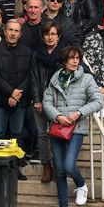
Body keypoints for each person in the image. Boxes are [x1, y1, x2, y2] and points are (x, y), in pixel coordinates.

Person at [43, 46, 103, 207]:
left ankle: (81, 185)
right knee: (59, 170)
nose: (75, 61)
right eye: (71, 58)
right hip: (57, 127)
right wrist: (58, 116)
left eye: (77, 58)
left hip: (76, 128)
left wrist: (78, 112)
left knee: (69, 166)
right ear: (64, 60)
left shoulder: (87, 79)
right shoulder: (55, 78)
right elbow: (47, 102)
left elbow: (98, 101)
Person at [0, 19, 32, 179]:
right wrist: (10, 92)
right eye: (10, 30)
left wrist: (17, 94)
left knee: (16, 134)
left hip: (20, 100)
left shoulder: (27, 51)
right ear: (4, 32)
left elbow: (29, 75)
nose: (12, 33)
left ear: (20, 34)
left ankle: (14, 168)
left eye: (16, 31)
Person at [29, 21, 67, 183]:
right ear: (43, 37)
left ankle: (60, 166)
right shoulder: (36, 54)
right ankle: (46, 165)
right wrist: (37, 99)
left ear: (58, 36)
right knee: (42, 134)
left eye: (53, 34)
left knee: (58, 133)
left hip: (60, 100)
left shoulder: (65, 54)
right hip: (40, 99)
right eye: (47, 34)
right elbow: (34, 77)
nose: (50, 37)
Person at [62, 0, 104, 91]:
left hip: (90, 38)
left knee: (96, 70)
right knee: (81, 71)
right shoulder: (63, 2)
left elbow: (93, 19)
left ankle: (103, 102)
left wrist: (79, 32)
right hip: (75, 41)